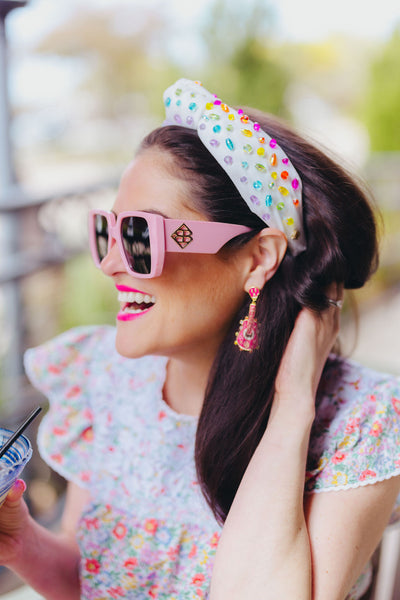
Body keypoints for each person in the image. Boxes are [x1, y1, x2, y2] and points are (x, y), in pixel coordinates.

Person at [0, 78, 400, 600]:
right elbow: (93, 578)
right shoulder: (104, 377)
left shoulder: (360, 423)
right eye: (107, 231)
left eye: (141, 236)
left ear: (258, 258)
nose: (112, 264)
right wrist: (19, 542)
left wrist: (292, 405)